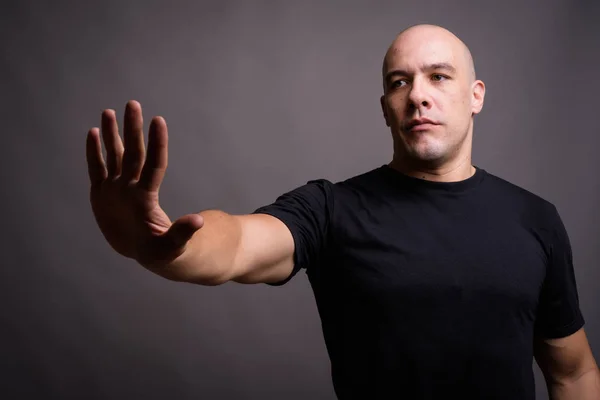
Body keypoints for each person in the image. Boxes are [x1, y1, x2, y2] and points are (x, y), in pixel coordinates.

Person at [85, 24, 599, 399]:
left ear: (475, 96)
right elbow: (240, 243)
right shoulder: (333, 209)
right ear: (384, 107)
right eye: (400, 82)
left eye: (438, 77)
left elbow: (572, 374)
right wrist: (158, 249)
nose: (418, 95)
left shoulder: (535, 219)